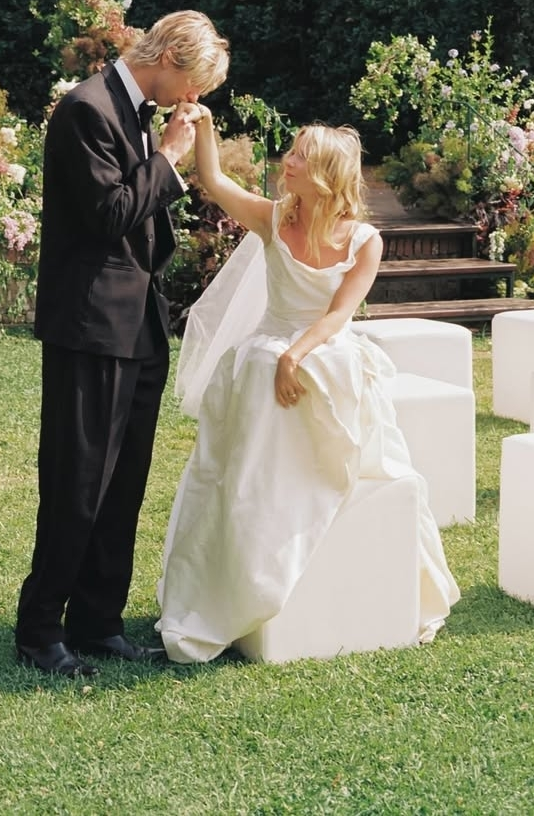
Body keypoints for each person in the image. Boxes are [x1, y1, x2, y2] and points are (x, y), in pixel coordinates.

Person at [156, 118, 460, 663]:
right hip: (270, 340)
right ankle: (252, 541)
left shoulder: (365, 241)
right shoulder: (273, 219)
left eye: (299, 156)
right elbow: (214, 180)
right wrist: (204, 127)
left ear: (324, 173)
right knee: (257, 363)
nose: (286, 162)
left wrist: (296, 354)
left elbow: (339, 315)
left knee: (320, 364)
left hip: (323, 344)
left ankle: (320, 481)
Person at [15, 10, 230, 678]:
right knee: (78, 480)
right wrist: (167, 156)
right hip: (90, 326)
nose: (192, 99)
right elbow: (109, 214)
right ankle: (40, 628)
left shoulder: (138, 111)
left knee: (124, 484)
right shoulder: (86, 109)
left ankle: (98, 621)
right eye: (193, 84)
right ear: (166, 58)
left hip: (140, 324)